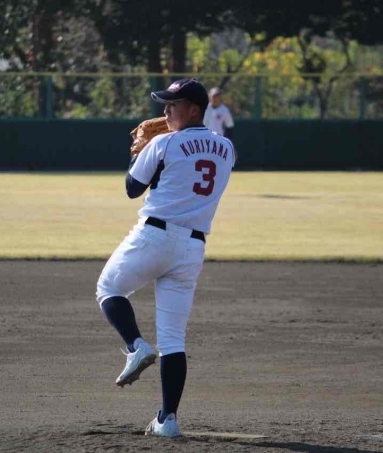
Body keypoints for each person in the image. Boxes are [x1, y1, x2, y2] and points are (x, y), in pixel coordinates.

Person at [95, 78, 235, 437]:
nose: (166, 111)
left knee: (109, 287)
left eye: (174, 105)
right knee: (173, 340)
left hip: (154, 236)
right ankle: (167, 420)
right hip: (192, 248)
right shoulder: (226, 148)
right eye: (166, 104)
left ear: (195, 110)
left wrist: (141, 153)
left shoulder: (163, 143)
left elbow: (132, 188)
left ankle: (135, 346)